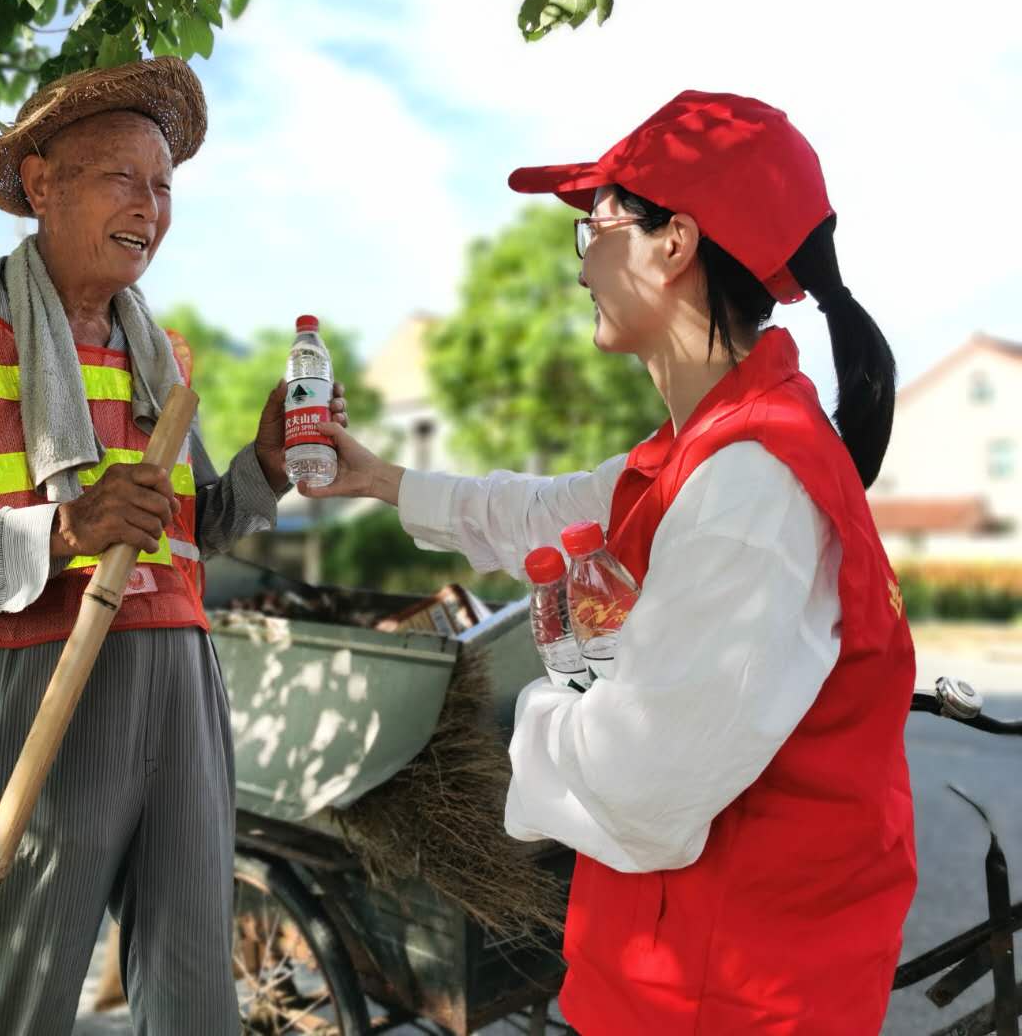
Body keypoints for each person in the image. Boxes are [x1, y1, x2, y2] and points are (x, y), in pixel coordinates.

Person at [303, 91, 915, 1035]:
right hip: (676, 977)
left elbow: (639, 783)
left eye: (595, 225)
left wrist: (542, 706)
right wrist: (381, 480)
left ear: (674, 243)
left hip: (732, 999)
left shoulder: (753, 487)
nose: (583, 261)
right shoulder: (699, 451)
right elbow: (545, 512)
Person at [0, 57, 348, 1034]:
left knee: (195, 995)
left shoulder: (158, 354)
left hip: (180, 686)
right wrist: (59, 531)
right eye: (122, 178)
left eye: (164, 186)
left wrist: (265, 466)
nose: (150, 206)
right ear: (41, 181)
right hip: (27, 683)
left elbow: (187, 534)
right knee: (8, 994)